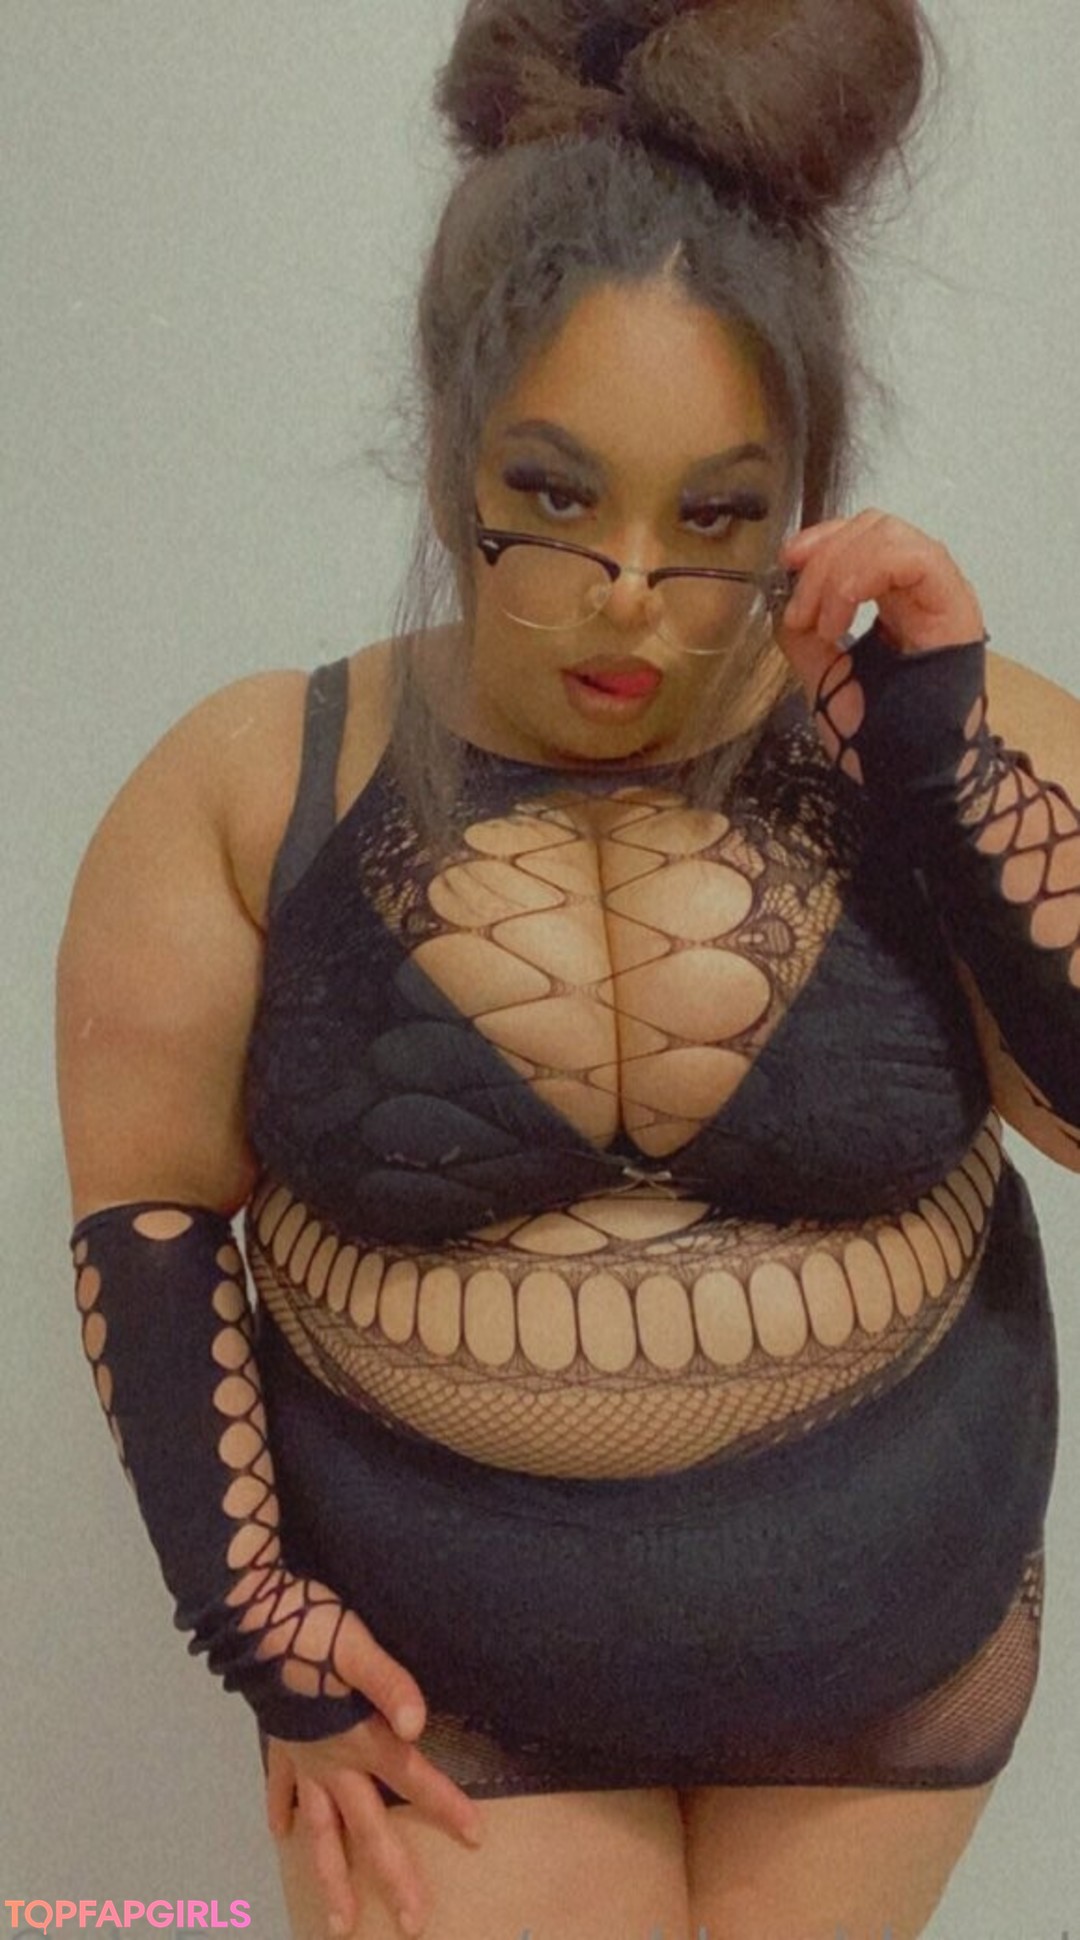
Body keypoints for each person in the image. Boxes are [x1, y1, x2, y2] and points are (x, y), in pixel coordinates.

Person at [54, 2, 1080, 1936]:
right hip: (433, 1687)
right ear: (452, 447)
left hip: (893, 1654)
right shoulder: (246, 785)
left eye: (713, 516)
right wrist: (252, 1622)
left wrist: (943, 773)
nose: (627, 589)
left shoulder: (957, 731)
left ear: (804, 488)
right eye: (552, 496)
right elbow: (154, 1216)